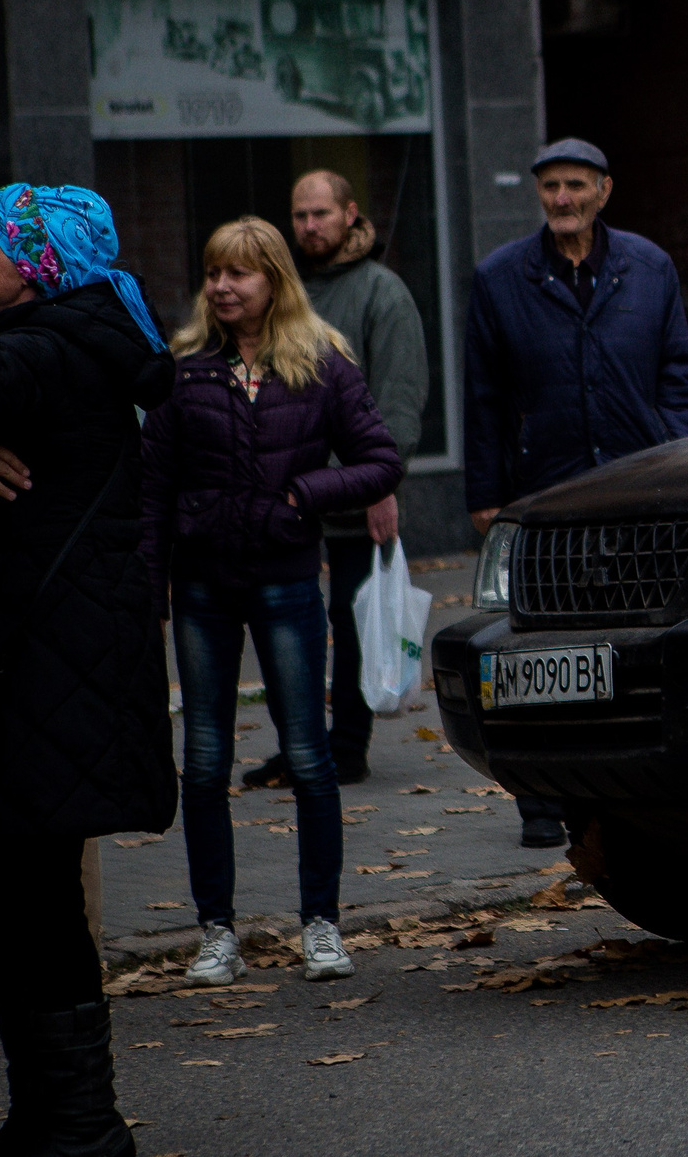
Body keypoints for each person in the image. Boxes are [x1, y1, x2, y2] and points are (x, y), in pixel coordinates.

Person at [0, 184, 176, 1149]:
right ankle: (59, 1119)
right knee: (4, 882)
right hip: (42, 673)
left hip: (55, 675)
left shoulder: (58, 351)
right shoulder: (51, 344)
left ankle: (81, 1129)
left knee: (23, 888)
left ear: (38, 265)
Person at [142, 217, 403, 991]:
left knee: (310, 757)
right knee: (205, 761)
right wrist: (149, 585)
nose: (222, 287)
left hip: (288, 578)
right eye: (214, 272)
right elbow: (153, 485)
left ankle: (319, 924)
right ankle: (215, 931)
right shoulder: (185, 367)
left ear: (274, 282)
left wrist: (303, 493)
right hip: (203, 584)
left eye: (240, 274)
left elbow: (380, 459)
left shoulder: (321, 362)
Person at [463, 138, 688, 848]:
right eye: (550, 187)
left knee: (631, 641)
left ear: (604, 191)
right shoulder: (502, 278)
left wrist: (678, 453)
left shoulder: (648, 268)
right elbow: (483, 397)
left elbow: (678, 371)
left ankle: (628, 787)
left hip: (639, 483)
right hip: (545, 489)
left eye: (575, 186)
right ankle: (539, 799)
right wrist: (486, 494)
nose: (561, 199)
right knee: (535, 652)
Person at [240, 170, 429, 790]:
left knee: (351, 625)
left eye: (320, 213)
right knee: (284, 624)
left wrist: (378, 483)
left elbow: (399, 400)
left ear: (352, 214)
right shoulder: (283, 293)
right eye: (299, 215)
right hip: (282, 496)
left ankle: (346, 748)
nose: (309, 226)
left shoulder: (383, 292)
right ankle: (301, 746)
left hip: (353, 491)